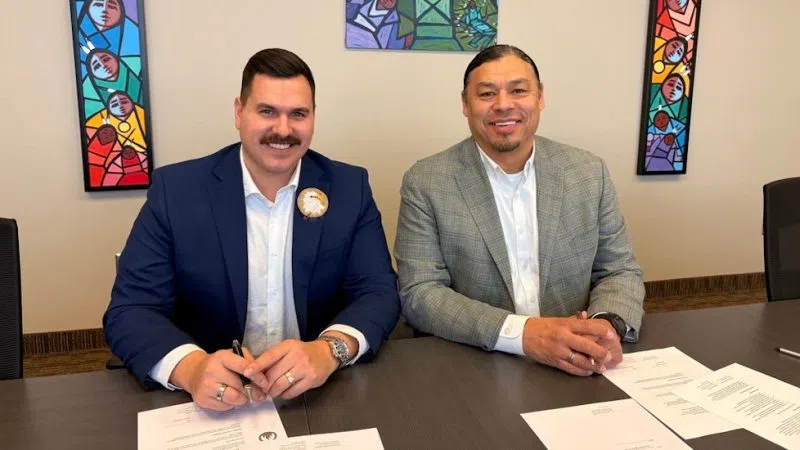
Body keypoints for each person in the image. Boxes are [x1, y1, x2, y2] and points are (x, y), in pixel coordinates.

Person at [104, 48, 400, 411]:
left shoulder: (349, 187)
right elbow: (131, 309)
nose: (283, 130)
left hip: (317, 394)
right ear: (238, 112)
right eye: (267, 111)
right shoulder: (176, 191)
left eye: (298, 114)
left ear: (313, 117)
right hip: (209, 402)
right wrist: (192, 369)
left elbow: (378, 292)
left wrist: (330, 350)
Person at [394, 44, 644, 377]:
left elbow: (619, 270)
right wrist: (524, 335)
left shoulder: (588, 172)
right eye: (487, 94)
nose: (503, 105)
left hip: (578, 361)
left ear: (540, 97)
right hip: (476, 366)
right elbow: (420, 293)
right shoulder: (426, 181)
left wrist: (604, 326)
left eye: (518, 91)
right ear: (465, 104)